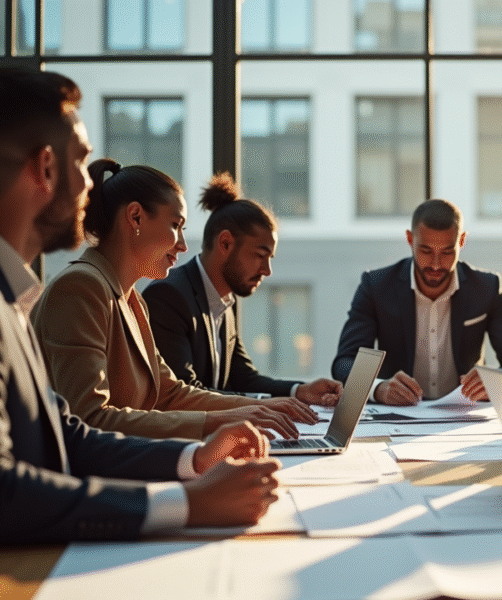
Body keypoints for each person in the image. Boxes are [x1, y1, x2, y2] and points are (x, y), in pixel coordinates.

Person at [0, 67, 281, 591]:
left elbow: (63, 434)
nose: (92, 184)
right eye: (81, 159)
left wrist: (193, 460)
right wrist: (185, 502)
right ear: (45, 167)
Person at [32, 158, 318, 441]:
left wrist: (259, 407)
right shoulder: (81, 287)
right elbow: (90, 419)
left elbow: (171, 393)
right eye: (175, 225)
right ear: (135, 217)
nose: (182, 244)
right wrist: (219, 421)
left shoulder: (131, 301)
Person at [143, 173, 343, 406]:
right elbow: (184, 394)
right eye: (260, 255)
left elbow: (244, 379)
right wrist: (265, 405)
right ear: (225, 243)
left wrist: (299, 391)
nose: (267, 271)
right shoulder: (168, 297)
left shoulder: (223, 301)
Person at [332, 198, 502, 405]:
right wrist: (377, 388)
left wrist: (500, 380)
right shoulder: (376, 287)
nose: (436, 264)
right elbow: (345, 363)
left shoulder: (487, 287)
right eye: (426, 251)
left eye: (447, 252)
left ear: (462, 241)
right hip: (398, 416)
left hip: (463, 416)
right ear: (410, 239)